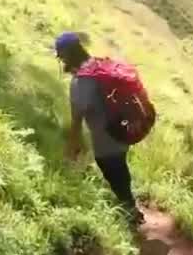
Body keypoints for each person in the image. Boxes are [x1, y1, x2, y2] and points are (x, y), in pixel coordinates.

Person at [56, 31, 146, 226]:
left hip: (106, 139)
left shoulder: (81, 80)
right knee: (120, 169)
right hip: (122, 130)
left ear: (67, 54)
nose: (61, 60)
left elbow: (78, 117)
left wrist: (72, 144)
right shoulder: (99, 65)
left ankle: (130, 212)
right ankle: (131, 206)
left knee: (114, 173)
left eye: (61, 56)